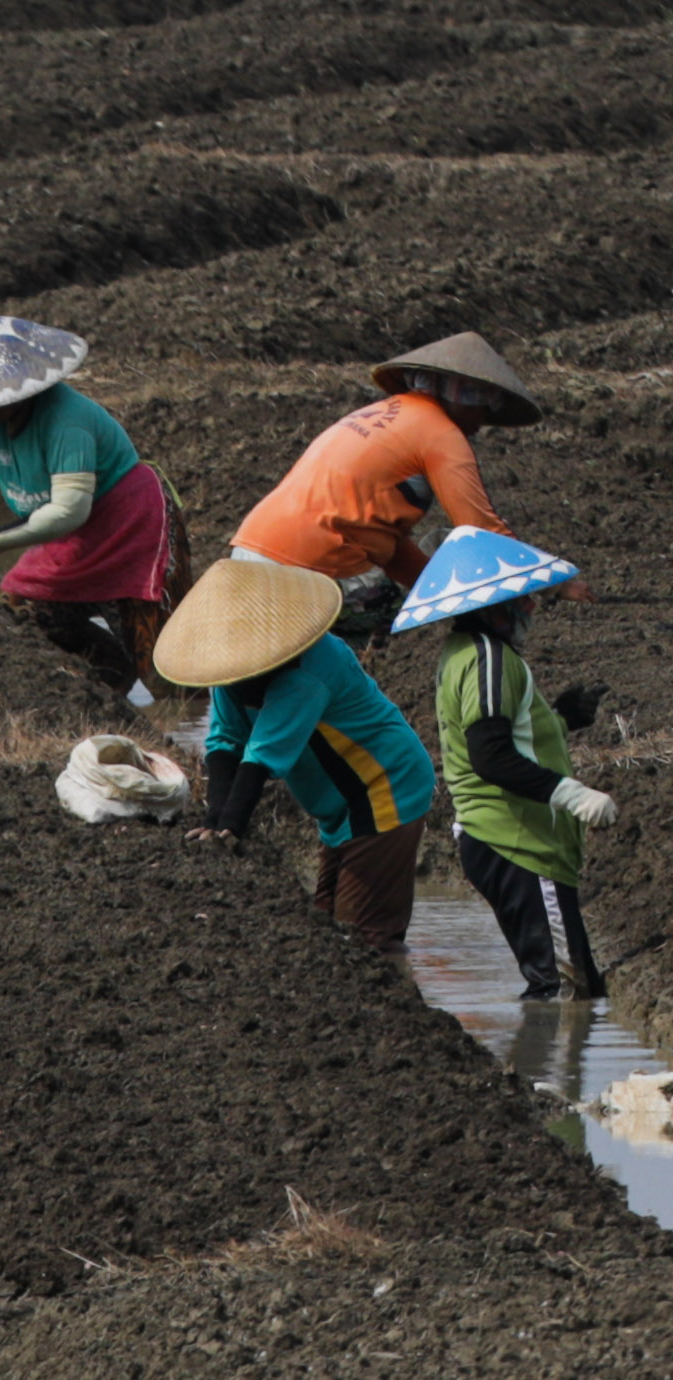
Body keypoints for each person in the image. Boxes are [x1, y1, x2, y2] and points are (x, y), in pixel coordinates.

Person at [163, 554, 439, 950]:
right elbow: (224, 744)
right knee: (327, 923)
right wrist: (213, 823)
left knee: (364, 938)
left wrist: (231, 828)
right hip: (338, 806)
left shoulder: (311, 667)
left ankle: (396, 992)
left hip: (384, 788)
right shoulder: (230, 670)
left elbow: (262, 756)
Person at [0, 317, 185, 702]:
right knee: (24, 615)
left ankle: (186, 731)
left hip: (130, 528)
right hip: (66, 532)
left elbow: (69, 511)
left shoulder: (67, 421)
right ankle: (109, 678)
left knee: (163, 665)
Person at [406, 526, 616, 1000]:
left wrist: (561, 719)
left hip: (511, 844)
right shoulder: (488, 660)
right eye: (519, 599)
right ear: (489, 608)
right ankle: (541, 1070)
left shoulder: (468, 653)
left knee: (570, 984)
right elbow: (491, 756)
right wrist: (573, 794)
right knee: (563, 992)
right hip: (517, 844)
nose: (531, 606)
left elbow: (507, 735)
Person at [234, 331, 547, 642]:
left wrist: (440, 592)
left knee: (274, 664)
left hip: (252, 551)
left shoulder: (381, 414)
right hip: (312, 568)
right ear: (462, 398)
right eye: (483, 405)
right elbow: (481, 528)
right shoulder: (441, 435)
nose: (484, 418)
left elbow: (390, 548)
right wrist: (554, 582)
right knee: (381, 619)